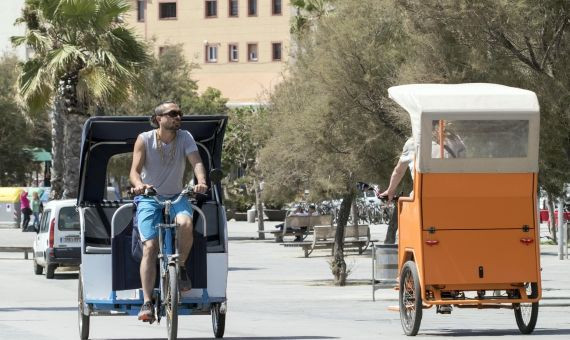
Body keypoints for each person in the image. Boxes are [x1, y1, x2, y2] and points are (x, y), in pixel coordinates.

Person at [130, 101, 208, 323]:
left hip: (177, 195)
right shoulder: (144, 139)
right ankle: (147, 301)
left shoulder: (185, 137)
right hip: (149, 198)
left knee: (185, 223)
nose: (178, 117)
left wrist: (201, 180)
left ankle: (180, 266)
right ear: (158, 119)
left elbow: (197, 162)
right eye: (172, 114)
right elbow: (134, 172)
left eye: (180, 114)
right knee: (150, 247)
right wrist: (140, 185)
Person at [379, 121, 465, 243]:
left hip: (423, 202)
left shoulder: (413, 142)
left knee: (411, 237)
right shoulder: (455, 139)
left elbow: (398, 171)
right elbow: (464, 167)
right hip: (453, 199)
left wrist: (390, 190)